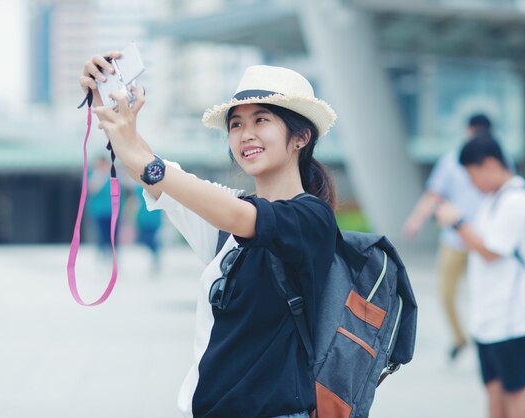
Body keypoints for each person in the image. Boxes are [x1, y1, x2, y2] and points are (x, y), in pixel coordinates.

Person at [80, 57, 338, 418]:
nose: (245, 134)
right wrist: (110, 112)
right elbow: (160, 175)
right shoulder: (224, 218)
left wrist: (141, 158)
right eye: (236, 124)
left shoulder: (311, 218)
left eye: (261, 120)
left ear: (300, 137)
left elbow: (238, 215)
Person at [435, 137, 525, 418]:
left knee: (516, 396)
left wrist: (457, 222)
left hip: (512, 322)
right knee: (495, 394)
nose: (472, 184)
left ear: (489, 165)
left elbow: (491, 251)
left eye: (472, 176)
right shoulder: (493, 200)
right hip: (490, 321)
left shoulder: (516, 201)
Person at [402, 114, 493, 360]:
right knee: (446, 294)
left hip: (483, 241)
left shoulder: (496, 161)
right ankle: (460, 338)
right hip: (454, 241)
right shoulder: (452, 160)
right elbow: (434, 193)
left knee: (487, 293)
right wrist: (416, 219)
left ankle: (484, 337)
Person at [87, 156, 121, 259]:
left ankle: (113, 254)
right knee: (102, 234)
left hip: (113, 211)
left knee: (113, 235)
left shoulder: (113, 175)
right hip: (99, 212)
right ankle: (102, 254)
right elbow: (91, 190)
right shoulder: (94, 176)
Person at [134, 184, 163, 272]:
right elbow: (135, 202)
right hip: (142, 217)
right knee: (143, 239)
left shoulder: (158, 188)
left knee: (150, 238)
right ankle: (155, 251)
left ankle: (155, 253)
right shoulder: (139, 188)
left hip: (154, 218)